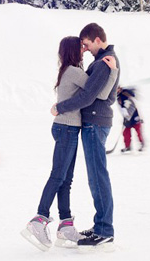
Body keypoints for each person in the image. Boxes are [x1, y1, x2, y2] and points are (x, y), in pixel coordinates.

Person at [22, 37, 117, 251]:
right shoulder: (74, 71)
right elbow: (97, 93)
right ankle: (39, 219)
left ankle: (65, 225)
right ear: (73, 51)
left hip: (68, 128)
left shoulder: (69, 69)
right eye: (80, 47)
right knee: (58, 175)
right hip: (66, 129)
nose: (83, 50)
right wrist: (112, 73)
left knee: (66, 179)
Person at [51, 23, 120, 249]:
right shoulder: (102, 62)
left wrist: (60, 107)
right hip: (93, 123)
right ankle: (101, 225)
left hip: (94, 123)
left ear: (97, 39)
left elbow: (92, 96)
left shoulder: (103, 63)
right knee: (95, 176)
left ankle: (104, 230)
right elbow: (103, 94)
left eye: (87, 44)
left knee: (97, 176)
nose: (86, 49)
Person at [117, 87, 145, 153]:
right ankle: (127, 146)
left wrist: (127, 116)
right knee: (126, 132)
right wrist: (125, 117)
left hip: (134, 116)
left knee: (138, 130)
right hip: (128, 118)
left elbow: (131, 107)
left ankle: (141, 144)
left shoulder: (125, 94)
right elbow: (122, 108)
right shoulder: (119, 97)